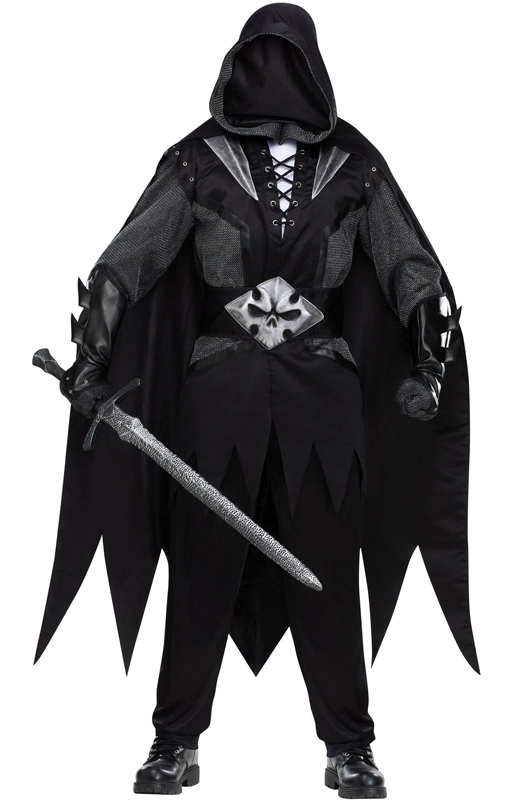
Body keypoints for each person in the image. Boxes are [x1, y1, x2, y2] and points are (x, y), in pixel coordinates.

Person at [35, 4, 478, 797]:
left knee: (327, 577)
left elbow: (411, 269)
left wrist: (427, 362)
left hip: (324, 408)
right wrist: (93, 358)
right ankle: (175, 741)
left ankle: (350, 747)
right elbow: (127, 261)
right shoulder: (196, 161)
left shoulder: (356, 164)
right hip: (218, 401)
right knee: (201, 573)